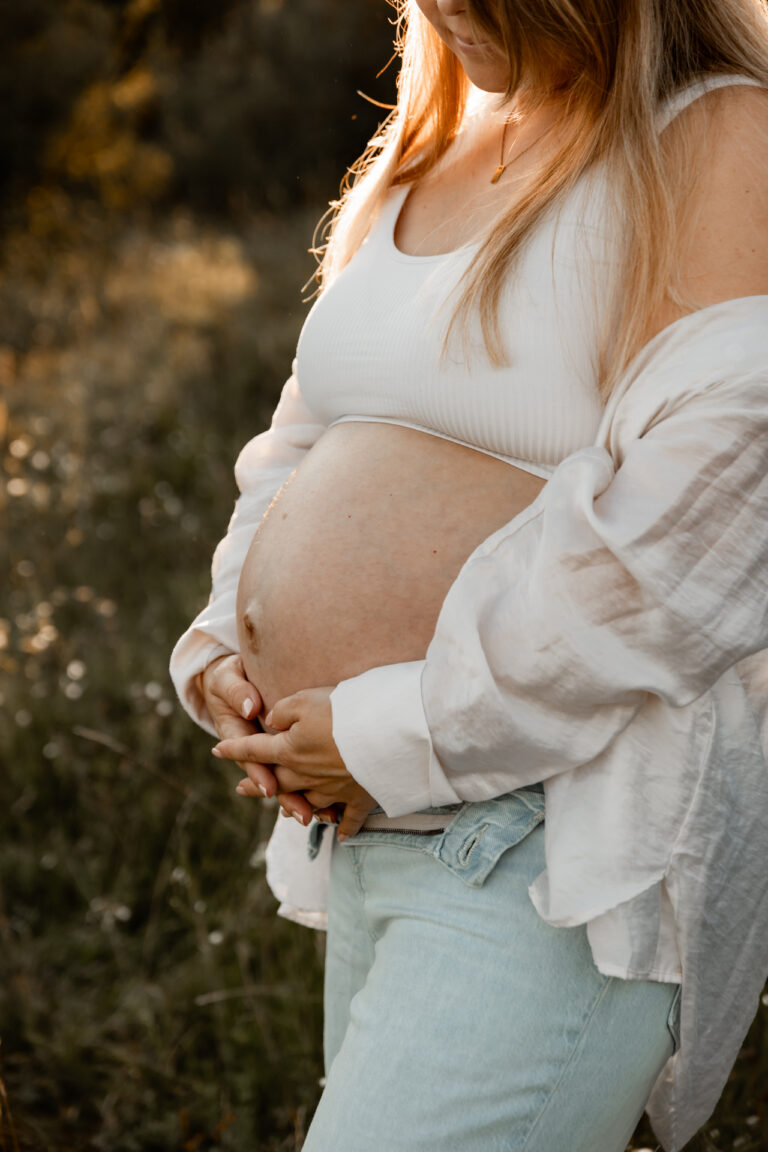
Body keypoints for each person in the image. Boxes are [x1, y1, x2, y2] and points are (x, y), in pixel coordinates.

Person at [170, 1, 768, 1149]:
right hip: (365, 833)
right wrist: (222, 649)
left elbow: (695, 543)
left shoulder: (714, 135)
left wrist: (393, 729)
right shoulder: (433, 141)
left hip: (552, 848)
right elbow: (300, 448)